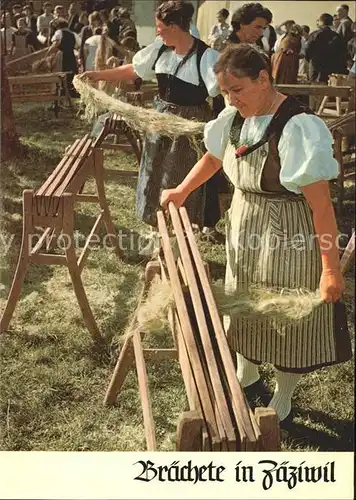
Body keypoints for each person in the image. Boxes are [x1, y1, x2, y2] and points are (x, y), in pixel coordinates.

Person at [160, 44, 352, 427]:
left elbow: (322, 207)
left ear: (263, 78)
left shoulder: (298, 126)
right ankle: (246, 373)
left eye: (238, 89)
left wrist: (330, 269)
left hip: (289, 230)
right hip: (246, 219)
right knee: (243, 297)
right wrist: (182, 190)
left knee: (282, 311)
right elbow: (214, 157)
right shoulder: (234, 117)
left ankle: (283, 392)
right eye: (226, 91)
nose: (231, 98)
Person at [80, 0, 222, 236]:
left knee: (176, 176)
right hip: (159, 119)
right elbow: (134, 71)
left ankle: (178, 231)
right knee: (152, 171)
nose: (158, 32)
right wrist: (96, 75)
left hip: (186, 128)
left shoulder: (206, 57)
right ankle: (158, 228)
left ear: (176, 27)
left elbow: (222, 89)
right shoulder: (160, 50)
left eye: (161, 28)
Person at [305, 13, 348, 83]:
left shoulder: (314, 35)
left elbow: (307, 51)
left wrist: (310, 61)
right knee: (329, 91)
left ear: (321, 22)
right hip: (332, 69)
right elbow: (343, 54)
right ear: (331, 22)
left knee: (315, 91)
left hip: (316, 68)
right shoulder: (337, 36)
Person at [48, 17, 78, 95]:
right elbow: (78, 44)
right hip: (71, 55)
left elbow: (55, 44)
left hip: (61, 55)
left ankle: (61, 92)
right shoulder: (73, 34)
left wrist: (48, 53)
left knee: (61, 72)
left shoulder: (59, 32)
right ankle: (71, 91)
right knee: (70, 72)